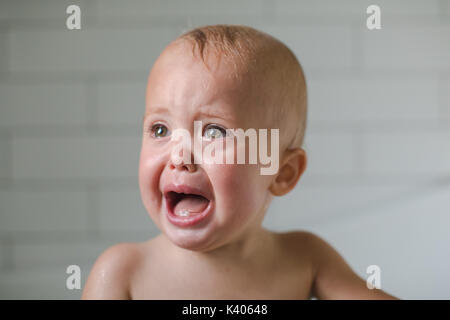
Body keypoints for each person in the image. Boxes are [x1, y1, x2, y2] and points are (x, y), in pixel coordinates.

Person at [82, 24, 398, 300]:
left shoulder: (305, 259)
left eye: (214, 131)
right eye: (160, 129)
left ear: (282, 173)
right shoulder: (123, 272)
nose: (180, 156)